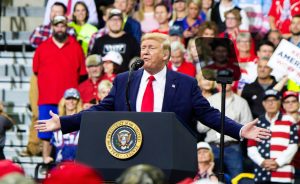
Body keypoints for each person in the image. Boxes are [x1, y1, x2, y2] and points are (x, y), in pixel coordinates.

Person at [35, 33, 270, 148]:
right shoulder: (124, 80)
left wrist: (239, 130)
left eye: (151, 47)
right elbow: (100, 111)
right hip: (129, 152)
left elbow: (208, 115)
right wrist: (64, 123)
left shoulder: (186, 83)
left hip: (170, 156)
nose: (144, 51)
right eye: (142, 47)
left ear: (166, 54)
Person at [33, 15, 87, 163]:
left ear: (66, 27)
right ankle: (46, 161)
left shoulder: (76, 47)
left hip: (69, 99)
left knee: (70, 128)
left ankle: (72, 160)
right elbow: (36, 70)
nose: (60, 28)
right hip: (47, 98)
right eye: (57, 25)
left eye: (63, 25)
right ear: (52, 27)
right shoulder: (42, 47)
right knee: (45, 131)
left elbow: (82, 73)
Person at [197, 83, 253, 179]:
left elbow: (247, 128)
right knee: (209, 177)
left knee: (238, 178)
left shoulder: (241, 102)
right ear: (216, 84)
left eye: (228, 80)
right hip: (212, 147)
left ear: (233, 82)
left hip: (233, 147)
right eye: (219, 81)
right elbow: (200, 128)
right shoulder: (209, 100)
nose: (224, 83)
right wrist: (215, 120)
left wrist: (230, 125)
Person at [247, 89, 298, 184]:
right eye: (267, 101)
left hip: (283, 173)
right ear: (263, 103)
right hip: (261, 173)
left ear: (279, 103)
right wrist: (262, 162)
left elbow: (293, 146)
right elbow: (251, 147)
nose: (270, 103)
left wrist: (278, 162)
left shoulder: (289, 120)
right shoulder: (257, 122)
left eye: (274, 100)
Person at [90, 8, 140, 73]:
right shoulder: (99, 41)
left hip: (125, 79)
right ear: (108, 22)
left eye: (118, 19)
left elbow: (138, 59)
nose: (115, 22)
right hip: (104, 80)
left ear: (122, 22)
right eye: (112, 19)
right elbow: (93, 61)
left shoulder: (131, 40)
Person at [43, 88, 82, 164]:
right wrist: (46, 157)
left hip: (77, 166)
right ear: (64, 101)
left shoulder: (82, 121)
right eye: (68, 98)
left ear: (78, 102)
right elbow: (51, 143)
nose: (71, 101)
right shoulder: (57, 121)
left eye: (74, 99)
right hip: (59, 165)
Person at [282, 91, 300, 183]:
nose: (290, 104)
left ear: (298, 103)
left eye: (293, 101)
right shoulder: (278, 122)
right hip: (283, 166)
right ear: (283, 105)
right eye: (287, 102)